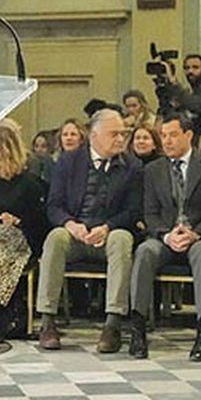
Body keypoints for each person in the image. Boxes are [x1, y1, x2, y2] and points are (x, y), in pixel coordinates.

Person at [36, 109, 142, 352]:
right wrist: (70, 224)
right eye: (114, 134)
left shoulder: (132, 166)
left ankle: (112, 324)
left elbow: (133, 211)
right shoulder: (69, 161)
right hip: (76, 233)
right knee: (55, 237)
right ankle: (47, 321)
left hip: (108, 234)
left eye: (123, 134)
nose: (120, 139)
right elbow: (53, 205)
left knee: (122, 239)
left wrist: (107, 227)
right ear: (94, 135)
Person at [130, 113, 201, 361]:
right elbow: (150, 213)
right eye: (163, 135)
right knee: (144, 251)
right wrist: (167, 236)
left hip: (198, 236)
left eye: (173, 135)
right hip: (166, 237)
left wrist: (195, 233)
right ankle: (138, 329)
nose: (167, 141)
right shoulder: (153, 170)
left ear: (188, 135)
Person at [0, 120, 48, 343]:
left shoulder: (30, 184)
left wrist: (17, 221)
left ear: (0, 149)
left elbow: (41, 223)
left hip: (20, 243)